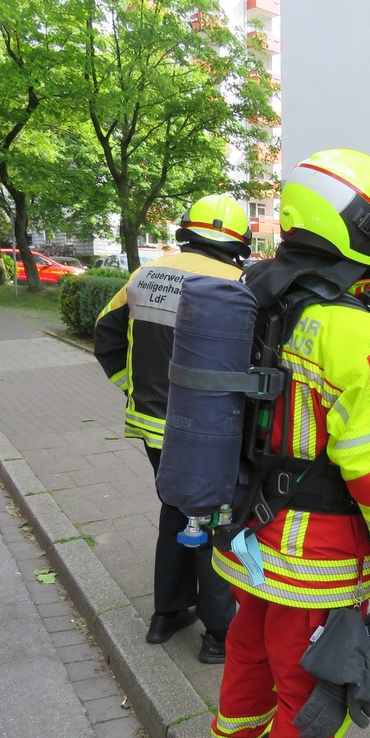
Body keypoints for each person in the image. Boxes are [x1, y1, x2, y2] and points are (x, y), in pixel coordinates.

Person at [206, 149, 370, 738]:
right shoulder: (352, 328)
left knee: (248, 646)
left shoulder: (256, 295)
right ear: (363, 228)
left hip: (248, 533)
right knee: (310, 686)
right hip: (318, 557)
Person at [93, 194, 250, 663]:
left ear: (187, 230)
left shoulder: (145, 275)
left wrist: (133, 389)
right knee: (215, 520)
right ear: (237, 241)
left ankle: (167, 614)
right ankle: (219, 635)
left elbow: (106, 336)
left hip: (152, 426)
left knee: (176, 510)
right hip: (210, 436)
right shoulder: (241, 282)